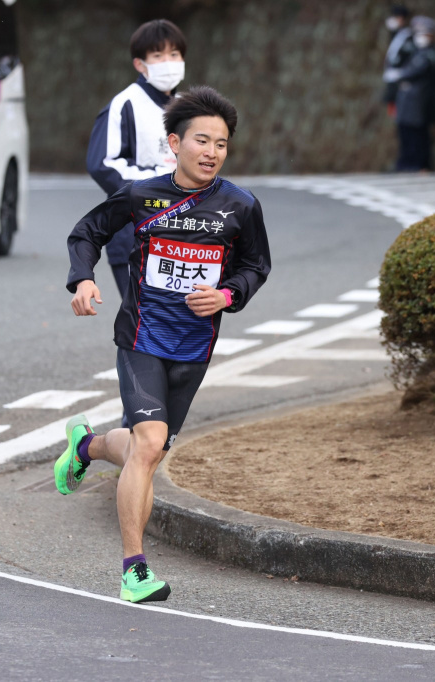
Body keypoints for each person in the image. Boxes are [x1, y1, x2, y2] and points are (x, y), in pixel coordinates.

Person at [60, 87, 271, 604]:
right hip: (141, 337)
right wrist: (82, 280)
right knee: (150, 443)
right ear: (174, 143)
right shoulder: (141, 197)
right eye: (202, 140)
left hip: (194, 347)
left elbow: (256, 266)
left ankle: (86, 445)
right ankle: (135, 570)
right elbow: (87, 232)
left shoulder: (240, 206)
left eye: (222, 144)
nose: (212, 152)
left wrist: (226, 293)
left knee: (141, 450)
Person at [86, 19, 185, 300]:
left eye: (174, 55)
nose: (168, 62)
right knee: (141, 325)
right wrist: (156, 180)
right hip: (134, 232)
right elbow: (102, 164)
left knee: (177, 324)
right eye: (158, 55)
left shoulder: (189, 107)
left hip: (183, 233)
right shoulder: (125, 105)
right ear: (140, 64)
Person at [384, 16, 435, 172]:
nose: (421, 37)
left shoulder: (430, 53)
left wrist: (400, 75)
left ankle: (419, 165)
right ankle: (406, 164)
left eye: (424, 33)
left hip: (421, 103)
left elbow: (415, 71)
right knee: (406, 134)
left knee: (418, 135)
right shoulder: (416, 52)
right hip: (408, 102)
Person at [382, 4, 416, 124]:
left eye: (398, 17)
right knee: (394, 116)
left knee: (402, 117)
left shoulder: (408, 36)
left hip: (400, 82)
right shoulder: (396, 35)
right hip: (392, 81)